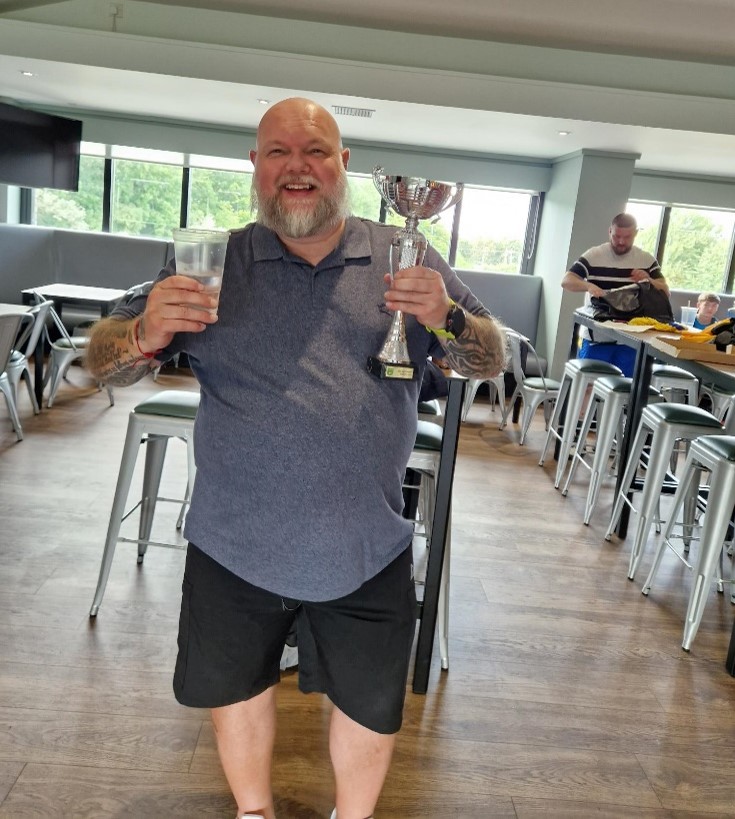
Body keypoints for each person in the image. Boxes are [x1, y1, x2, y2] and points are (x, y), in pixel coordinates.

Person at [86, 97, 506, 819]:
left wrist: (449, 317)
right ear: (255, 166)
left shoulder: (403, 253)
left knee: (370, 706)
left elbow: (489, 357)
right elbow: (102, 363)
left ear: (342, 164)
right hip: (231, 540)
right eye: (277, 151)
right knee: (236, 688)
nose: (297, 167)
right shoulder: (212, 260)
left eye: (315, 150)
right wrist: (147, 333)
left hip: (365, 542)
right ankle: (253, 812)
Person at [561, 212, 669, 376]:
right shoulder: (594, 255)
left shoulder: (646, 259)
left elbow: (665, 291)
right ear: (609, 231)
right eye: (617, 236)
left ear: (636, 234)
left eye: (627, 237)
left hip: (631, 339)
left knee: (626, 387)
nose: (621, 241)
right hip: (597, 337)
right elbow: (567, 281)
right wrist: (588, 285)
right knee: (588, 385)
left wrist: (649, 280)